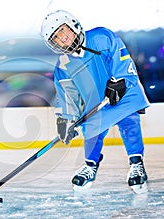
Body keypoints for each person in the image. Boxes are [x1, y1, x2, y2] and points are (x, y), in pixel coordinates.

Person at [40, 10, 150, 193]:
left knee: (129, 120)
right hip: (96, 104)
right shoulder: (63, 65)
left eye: (63, 31)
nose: (62, 38)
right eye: (56, 37)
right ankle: (90, 166)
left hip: (122, 92)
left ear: (73, 25)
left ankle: (136, 164)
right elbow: (68, 96)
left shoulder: (101, 37)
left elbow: (122, 58)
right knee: (91, 130)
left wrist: (120, 81)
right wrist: (65, 120)